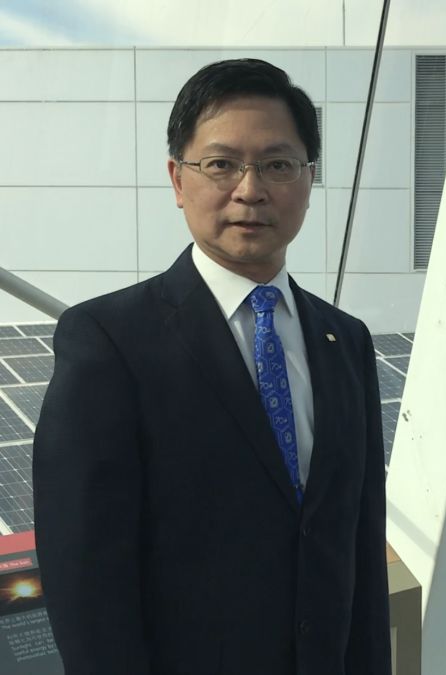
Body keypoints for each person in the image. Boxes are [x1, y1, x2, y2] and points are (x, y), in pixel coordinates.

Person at [33, 58, 390, 675]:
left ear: (309, 179)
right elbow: (84, 576)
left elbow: (357, 546)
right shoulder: (109, 341)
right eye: (221, 164)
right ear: (178, 179)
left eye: (278, 165)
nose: (250, 190)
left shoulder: (345, 339)